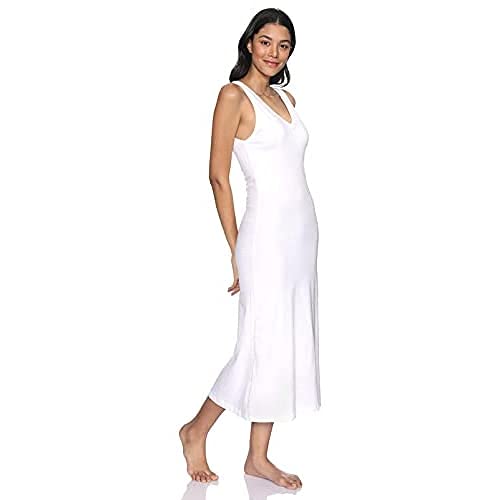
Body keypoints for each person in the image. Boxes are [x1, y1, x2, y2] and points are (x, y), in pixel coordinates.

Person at [179, 8, 320, 490]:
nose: (273, 52)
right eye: (265, 41)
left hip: (301, 236)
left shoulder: (287, 99)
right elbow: (218, 177)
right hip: (263, 239)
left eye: (283, 45)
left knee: (281, 344)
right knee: (257, 343)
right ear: (249, 43)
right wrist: (236, 250)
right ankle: (196, 430)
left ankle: (258, 457)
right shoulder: (233, 96)